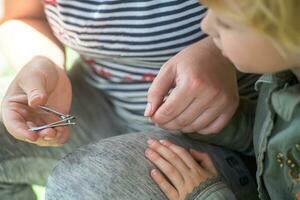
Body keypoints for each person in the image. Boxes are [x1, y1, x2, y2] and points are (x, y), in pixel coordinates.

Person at [0, 0, 258, 199]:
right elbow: (26, 15)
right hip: (104, 100)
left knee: (86, 186)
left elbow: (281, 14)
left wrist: (221, 51)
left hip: (227, 131)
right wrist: (40, 62)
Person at [143, 0, 300, 199]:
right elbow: (281, 137)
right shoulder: (285, 74)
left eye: (226, 23)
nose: (206, 26)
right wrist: (222, 123)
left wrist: (209, 195)